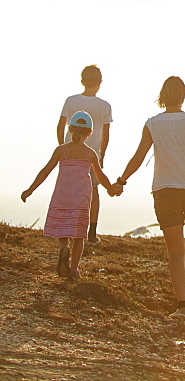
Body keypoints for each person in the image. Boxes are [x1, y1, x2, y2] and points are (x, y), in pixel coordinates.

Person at [109, 76, 185, 321]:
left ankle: (182, 305)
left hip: (166, 191)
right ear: (183, 96)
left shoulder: (153, 124)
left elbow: (138, 156)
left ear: (163, 95)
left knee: (176, 250)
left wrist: (121, 181)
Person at [22, 111, 116, 280]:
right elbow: (100, 176)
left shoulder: (61, 151)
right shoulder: (90, 154)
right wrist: (111, 189)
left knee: (61, 230)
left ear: (71, 129)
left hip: (63, 195)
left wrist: (30, 190)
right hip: (81, 198)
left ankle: (63, 248)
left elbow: (45, 171)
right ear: (89, 133)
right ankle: (73, 269)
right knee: (79, 236)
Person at [58, 65, 113, 244]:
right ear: (99, 82)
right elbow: (106, 134)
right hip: (92, 153)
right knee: (93, 191)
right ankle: (91, 231)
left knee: (67, 189)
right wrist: (102, 154)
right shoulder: (104, 106)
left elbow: (60, 127)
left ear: (82, 81)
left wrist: (63, 147)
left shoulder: (71, 101)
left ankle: (66, 227)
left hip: (70, 151)